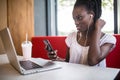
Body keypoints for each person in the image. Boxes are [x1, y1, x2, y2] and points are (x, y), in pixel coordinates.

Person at [47, 0, 116, 67]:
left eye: (79, 18)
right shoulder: (72, 37)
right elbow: (68, 63)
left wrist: (98, 29)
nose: (76, 22)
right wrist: (56, 59)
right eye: (74, 19)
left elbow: (92, 60)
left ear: (92, 15)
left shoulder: (108, 40)